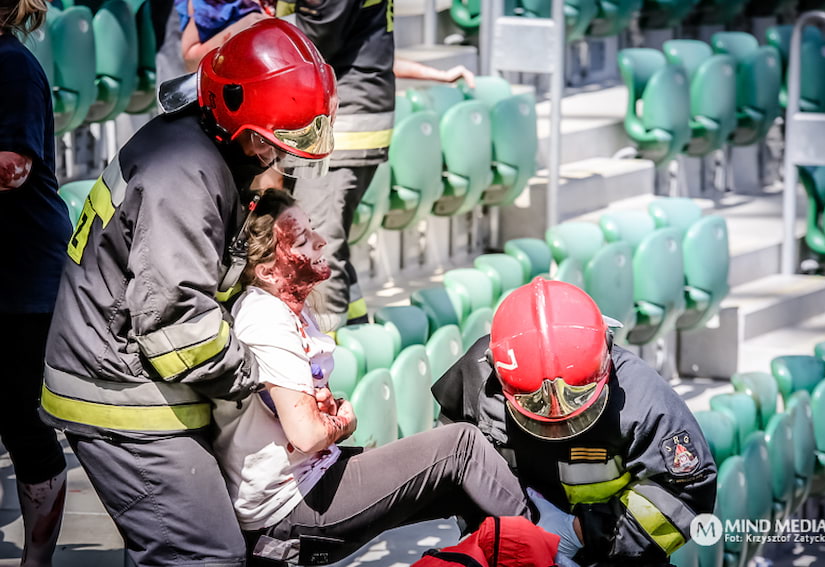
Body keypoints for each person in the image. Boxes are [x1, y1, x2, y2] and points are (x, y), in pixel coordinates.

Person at [40, 20, 337, 567]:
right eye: (267, 142)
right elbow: (181, 327)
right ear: (230, 112)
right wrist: (269, 380)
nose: (274, 158)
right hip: (119, 392)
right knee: (204, 554)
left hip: (129, 373)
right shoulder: (187, 172)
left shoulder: (197, 146)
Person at [213, 188, 531, 566]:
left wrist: (324, 416)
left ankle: (515, 553)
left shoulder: (289, 308)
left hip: (315, 477)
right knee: (461, 446)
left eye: (312, 230)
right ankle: (555, 545)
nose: (321, 241)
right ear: (266, 270)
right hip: (290, 509)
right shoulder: (264, 316)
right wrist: (343, 422)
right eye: (302, 240)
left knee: (467, 485)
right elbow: (308, 434)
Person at [177, 0, 476, 330]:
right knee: (328, 242)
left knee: (315, 247)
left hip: (338, 124)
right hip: (347, 117)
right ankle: (358, 333)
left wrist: (251, 27)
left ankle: (331, 350)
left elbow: (307, 42)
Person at [432, 278, 718, 567]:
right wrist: (499, 539)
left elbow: (686, 493)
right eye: (535, 402)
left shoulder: (646, 401)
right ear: (495, 367)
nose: (557, 420)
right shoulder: (475, 378)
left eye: (577, 397)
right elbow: (459, 473)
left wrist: (581, 533)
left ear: (606, 351)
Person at [0, 0, 71, 564]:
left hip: (22, 280)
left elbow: (12, 168)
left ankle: (37, 560)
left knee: (24, 426)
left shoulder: (12, 65)